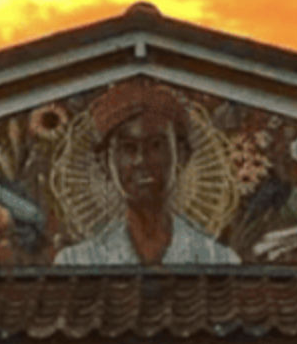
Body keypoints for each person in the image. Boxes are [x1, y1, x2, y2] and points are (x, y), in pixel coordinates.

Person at [54, 80, 238, 267]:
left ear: (181, 156)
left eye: (156, 146)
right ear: (105, 163)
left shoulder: (219, 261)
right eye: (128, 148)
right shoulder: (76, 262)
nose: (141, 161)